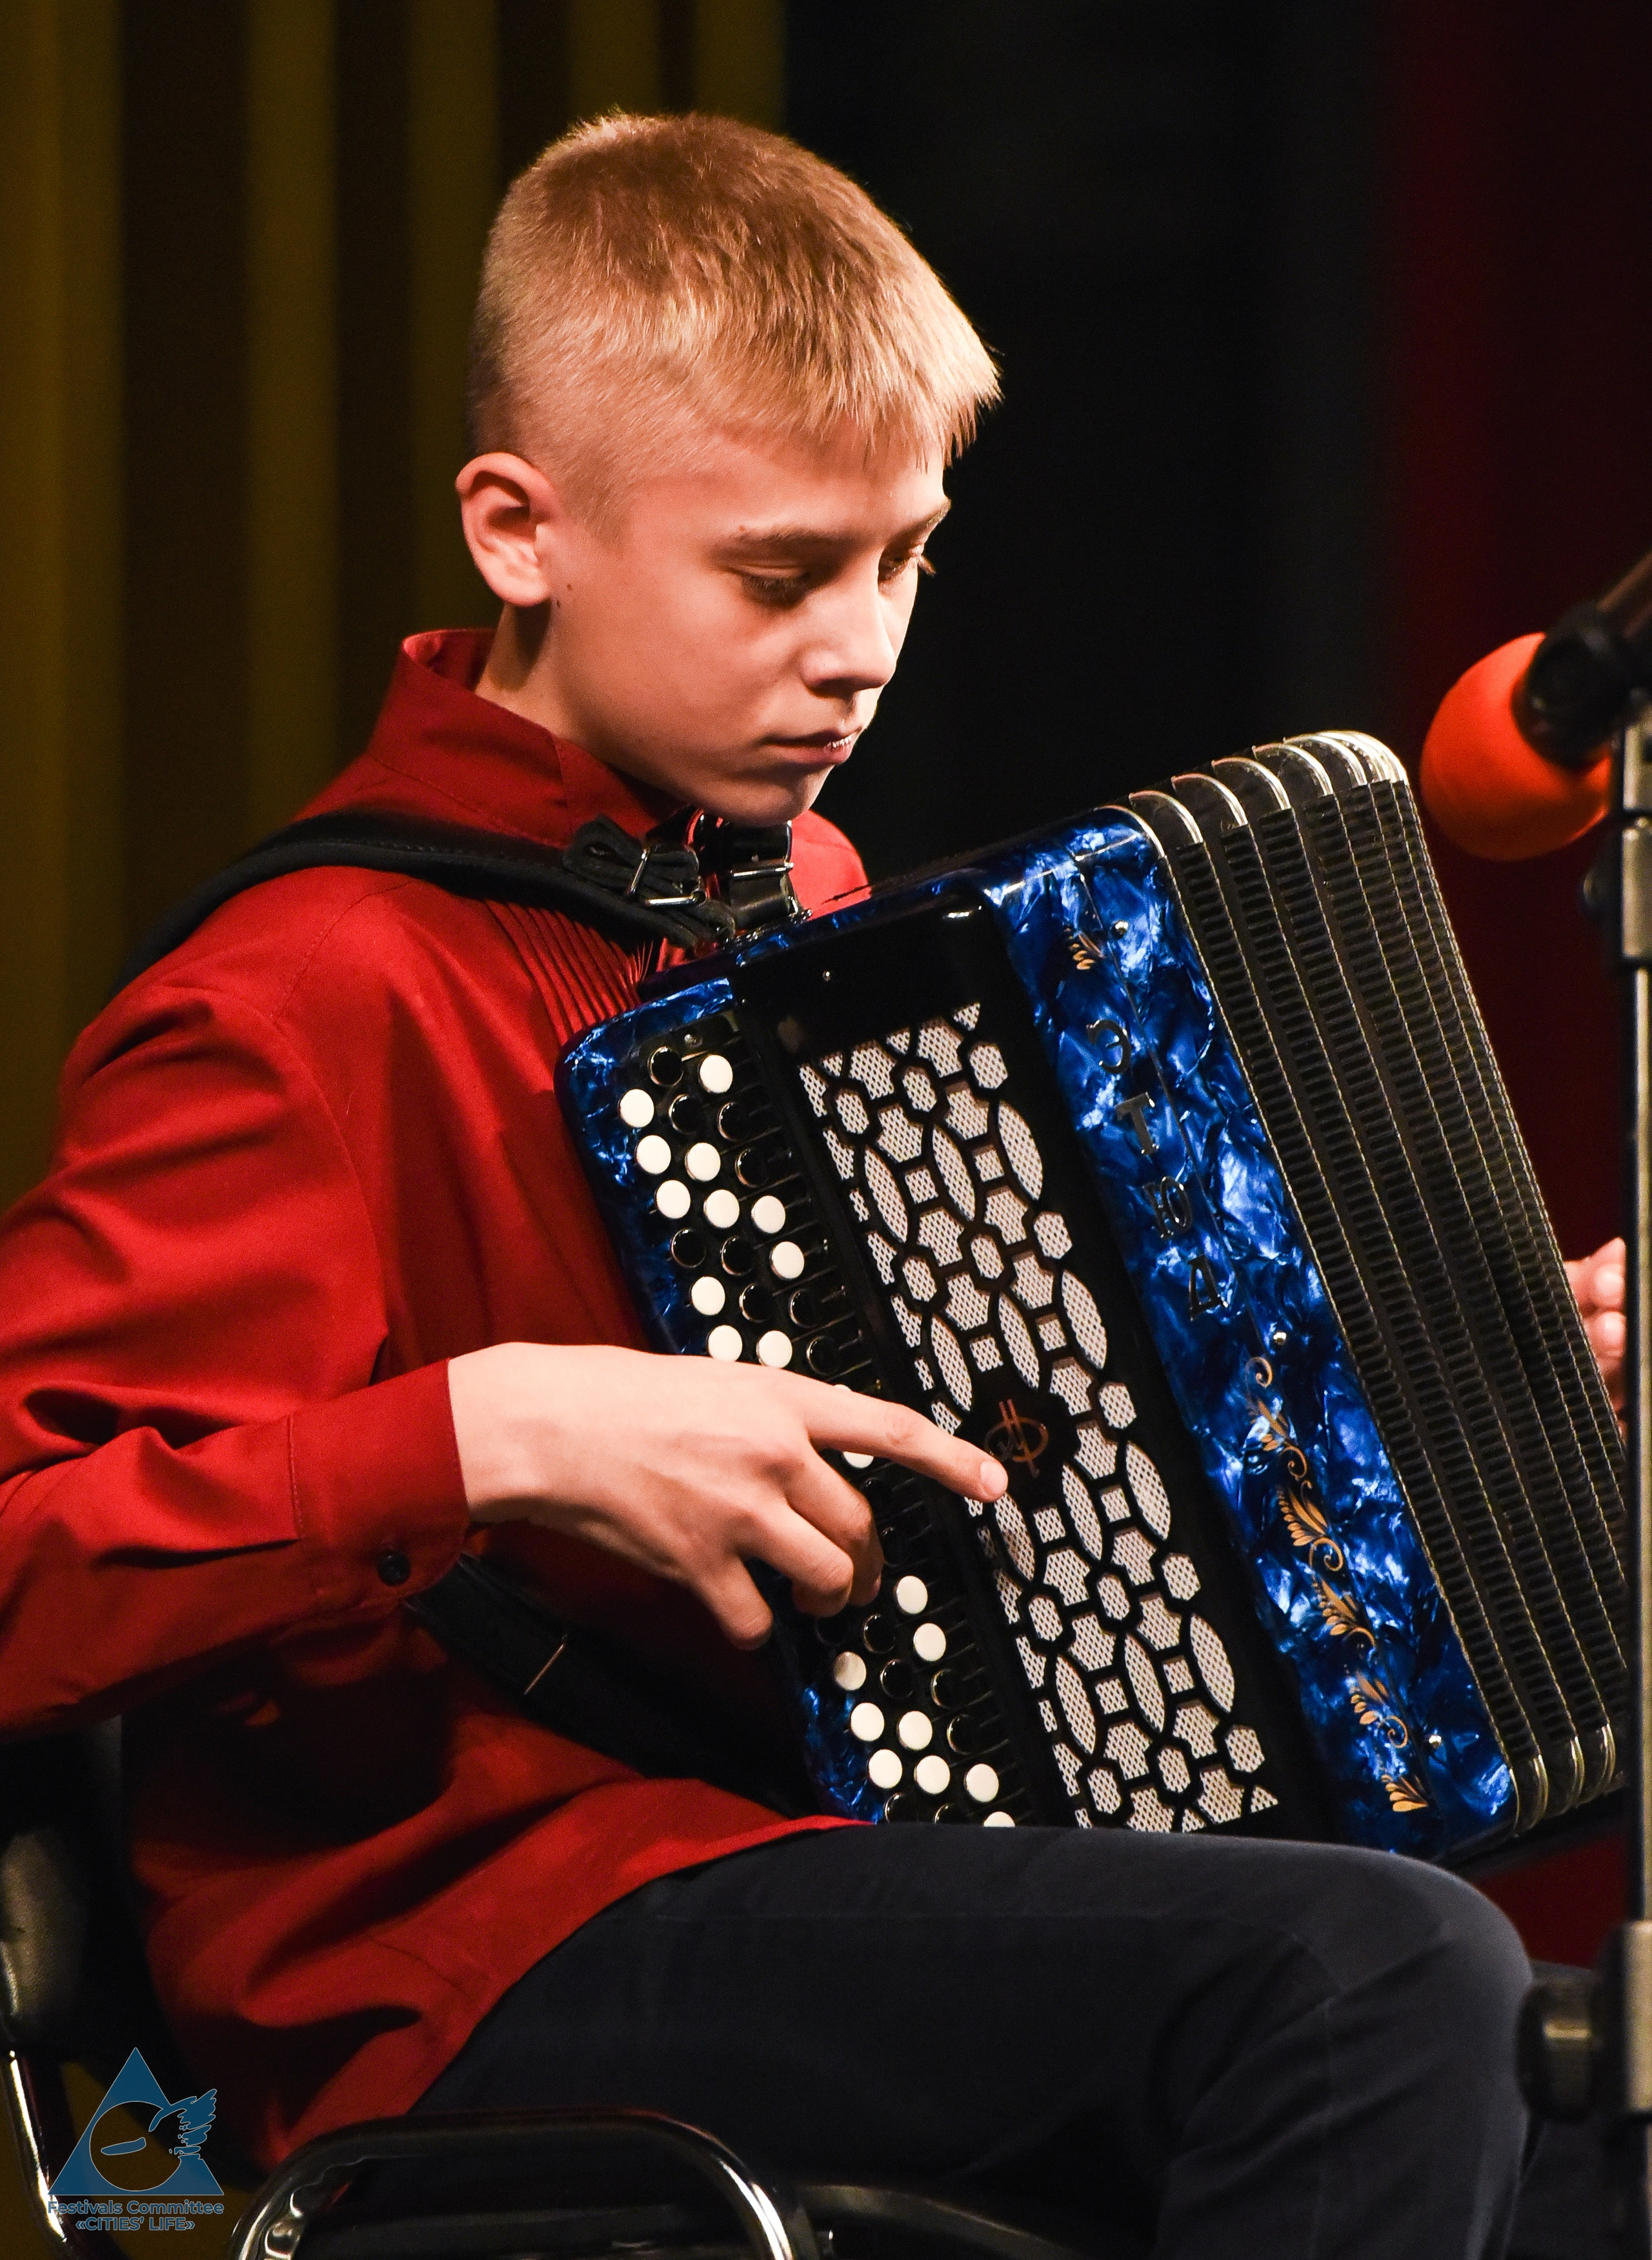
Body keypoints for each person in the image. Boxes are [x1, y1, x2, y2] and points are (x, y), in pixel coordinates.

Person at [0, 112, 1624, 2259]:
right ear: (518, 531)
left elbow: (1018, 1451)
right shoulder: (297, 1001)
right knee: (1370, 1983)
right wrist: (492, 1430)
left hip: (811, 1853)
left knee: (1588, 2096)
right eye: (778, 574)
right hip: (476, 1945)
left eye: (906, 557)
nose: (859, 645)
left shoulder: (817, 917)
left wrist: (1458, 1376)